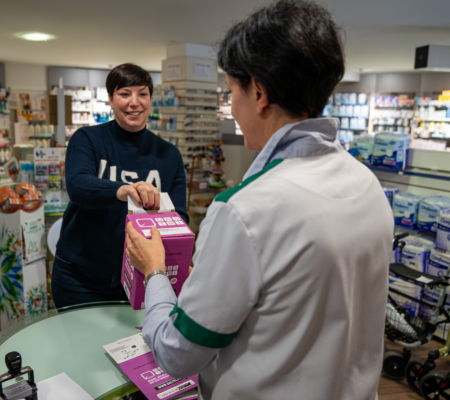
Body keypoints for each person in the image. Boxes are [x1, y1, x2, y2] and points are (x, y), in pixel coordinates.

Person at [124, 1, 392, 399]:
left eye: (232, 91)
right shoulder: (366, 184)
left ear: (260, 94)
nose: (231, 109)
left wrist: (156, 272)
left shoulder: (246, 210)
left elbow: (177, 355)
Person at [52, 63, 189, 308]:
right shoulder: (87, 139)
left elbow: (179, 216)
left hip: (142, 277)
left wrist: (179, 256)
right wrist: (122, 190)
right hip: (80, 277)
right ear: (111, 100)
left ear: (150, 100)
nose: (134, 102)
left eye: (142, 94)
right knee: (79, 344)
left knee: (135, 344)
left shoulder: (169, 155)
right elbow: (78, 185)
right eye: (124, 93)